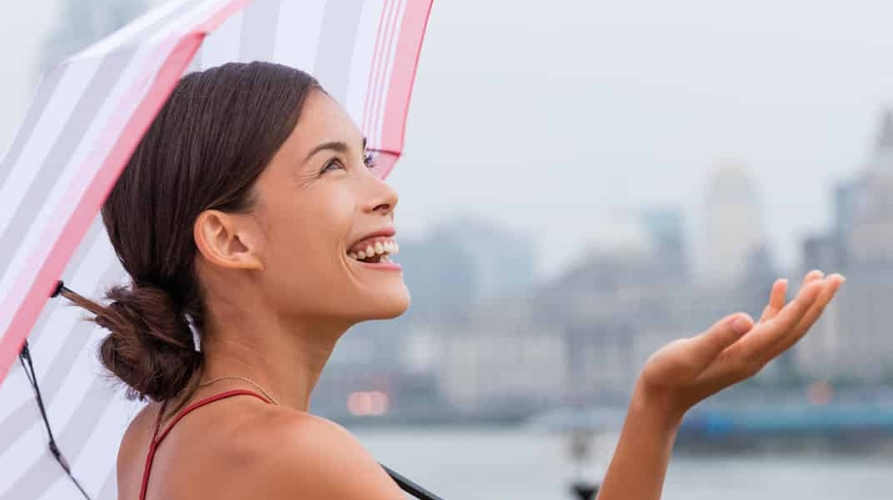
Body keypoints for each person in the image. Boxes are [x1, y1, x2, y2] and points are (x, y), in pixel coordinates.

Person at [61, 61, 844, 500]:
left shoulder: (159, 436)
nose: (383, 190)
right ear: (229, 238)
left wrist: (655, 405)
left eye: (366, 158)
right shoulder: (291, 454)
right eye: (332, 165)